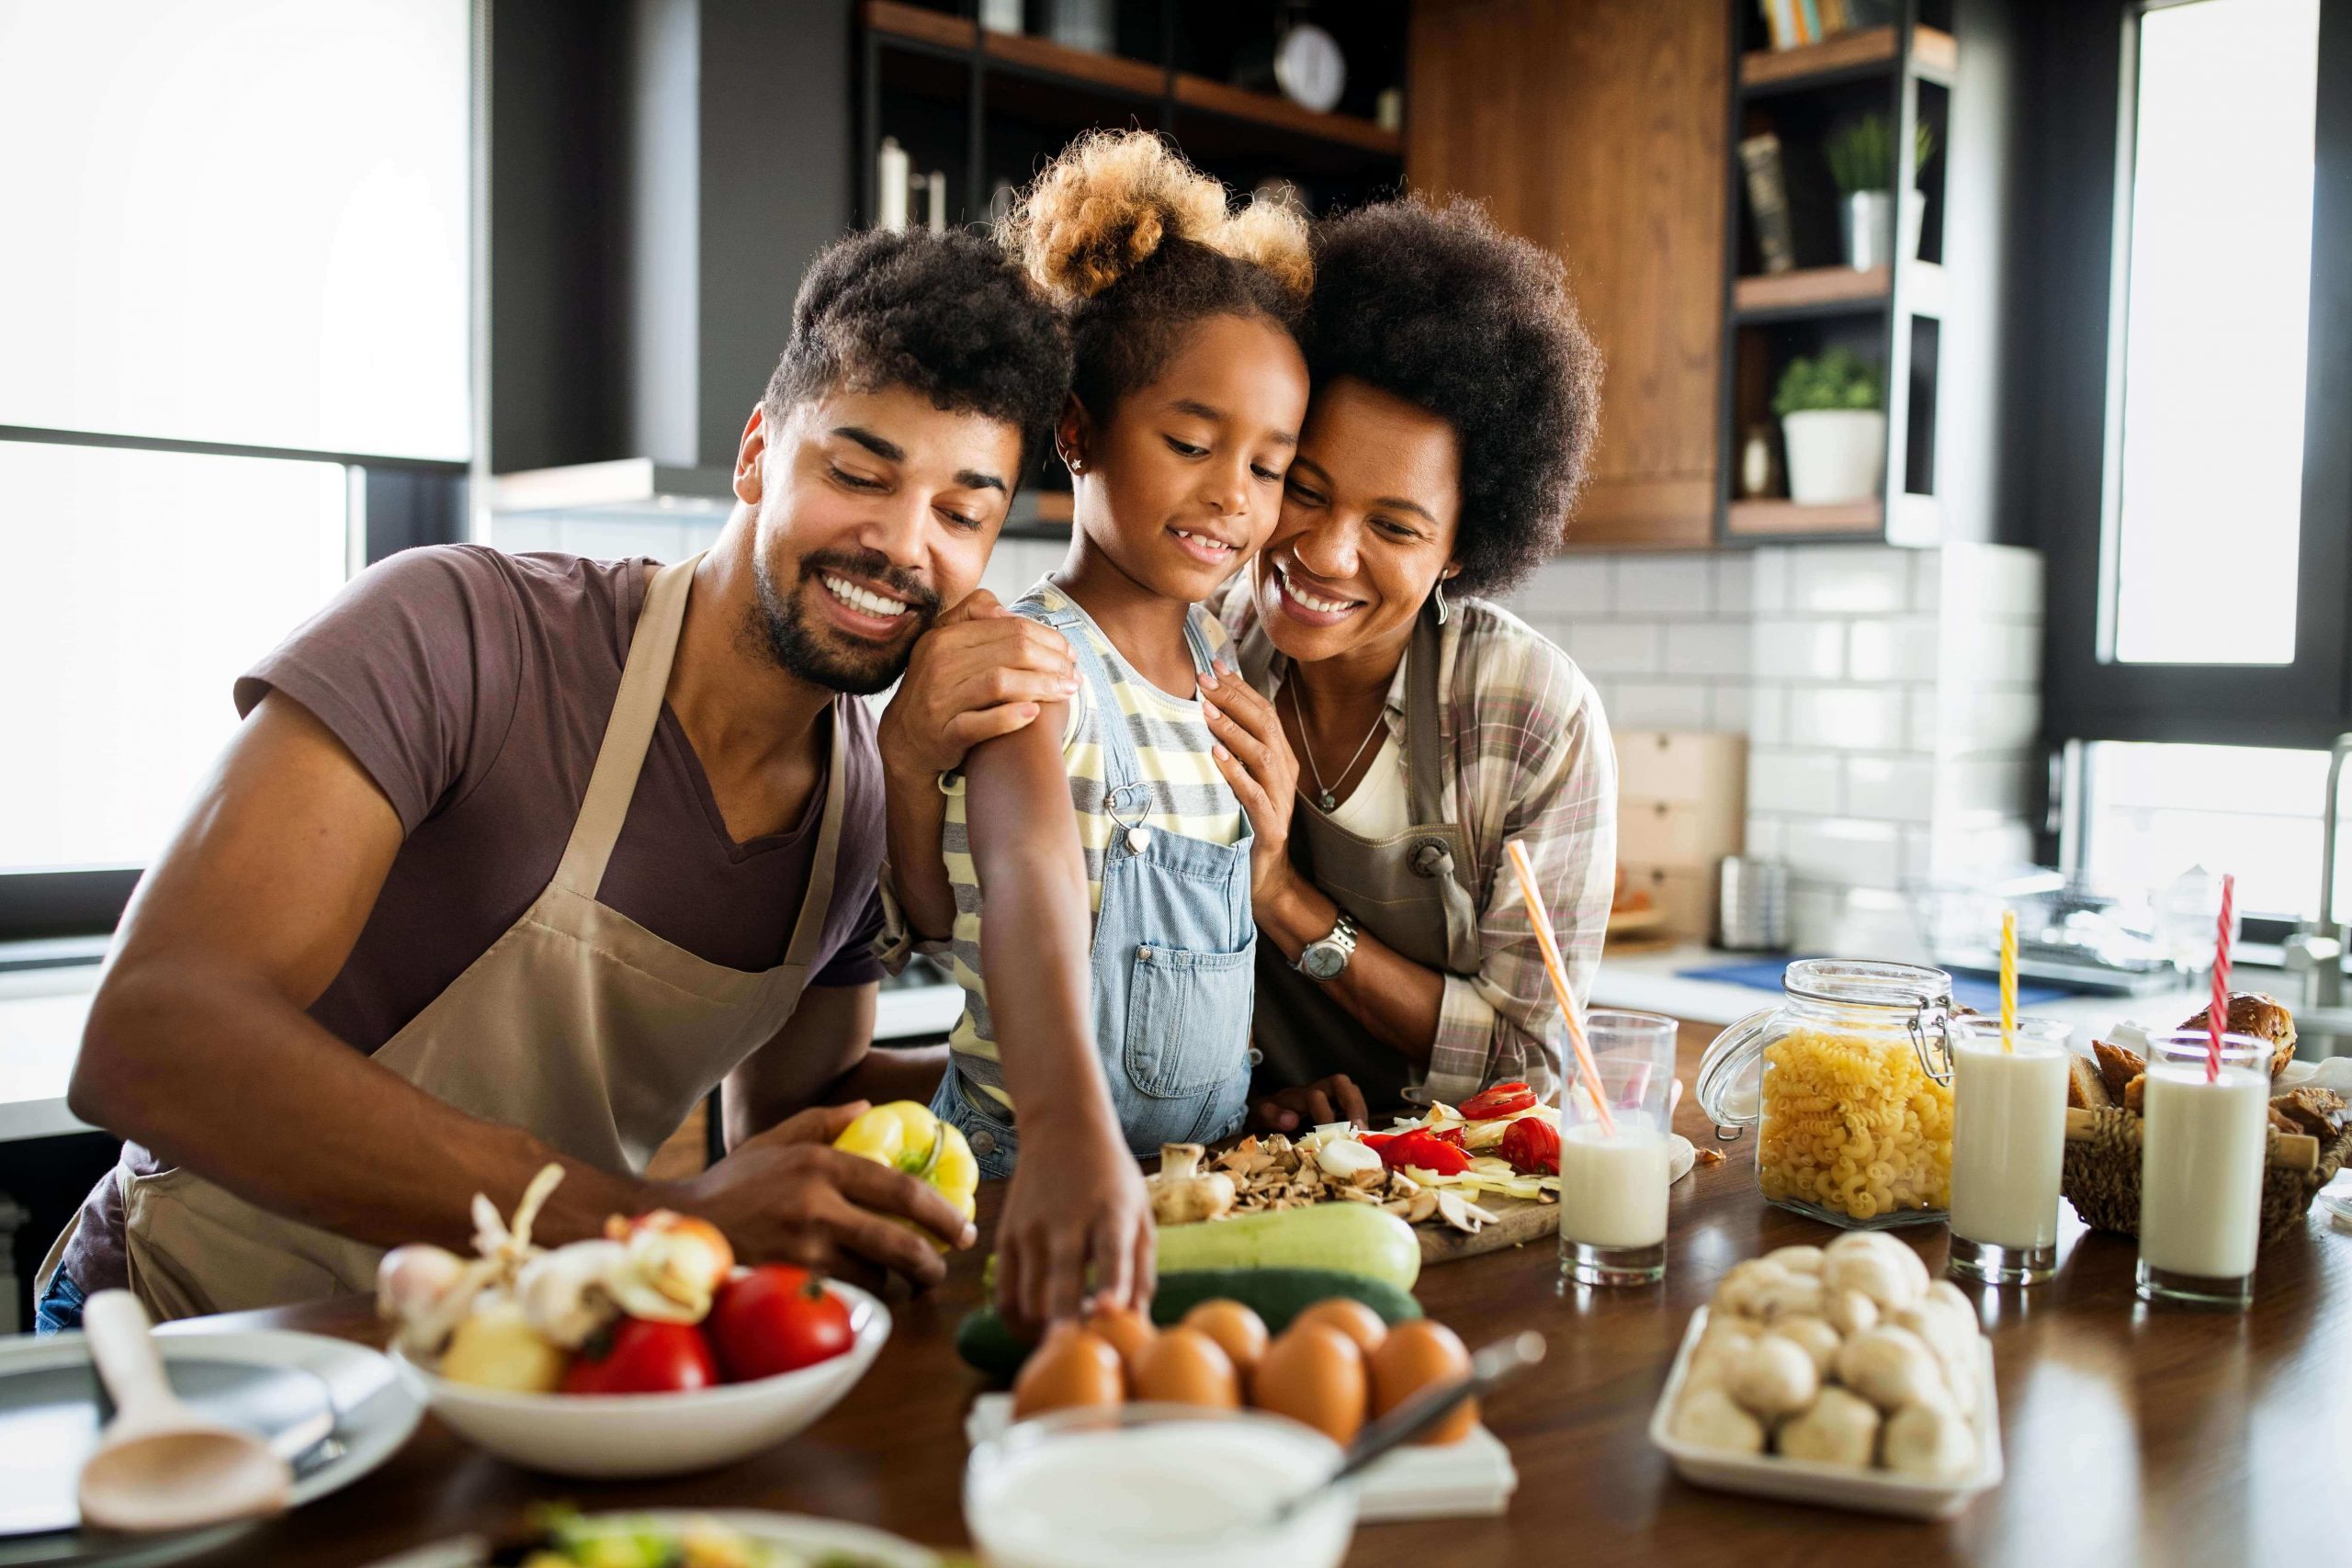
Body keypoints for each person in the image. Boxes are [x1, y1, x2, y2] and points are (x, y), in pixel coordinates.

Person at [37, 228, 1077, 1331]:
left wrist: (1098, 1083)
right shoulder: (461, 632)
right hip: (198, 1332)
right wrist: (644, 1221)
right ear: (757, 455)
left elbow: (801, 1106)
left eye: (962, 514)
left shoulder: (860, 804)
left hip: (509, 1358)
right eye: (858, 473)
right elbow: (152, 1038)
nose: (902, 545)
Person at [883, 131, 1312, 1327]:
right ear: (1076, 430)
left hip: (1186, 1200)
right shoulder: (1029, 658)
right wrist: (1073, 1133)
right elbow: (1027, 879)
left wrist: (1249, 1094)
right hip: (1035, 1190)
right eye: (1192, 442)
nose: (1234, 492)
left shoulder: (1220, 662)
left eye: (1270, 466)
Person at [1193, 196, 1616, 1129]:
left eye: (1393, 527)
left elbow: (1533, 1064)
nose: (1326, 553)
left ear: (1462, 550)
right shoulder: (1196, 647)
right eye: (1304, 490)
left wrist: (1282, 897)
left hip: (1461, 1184)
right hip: (1245, 1160)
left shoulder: (1531, 713)